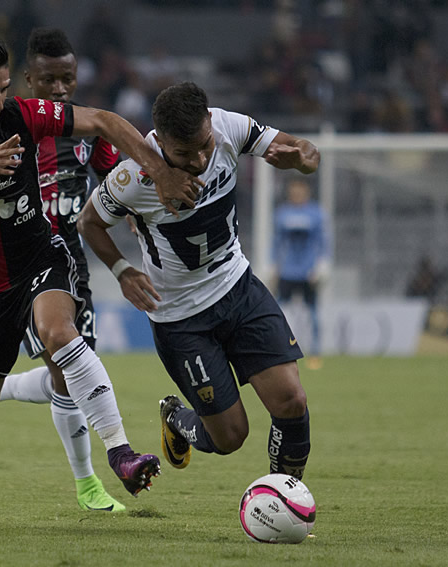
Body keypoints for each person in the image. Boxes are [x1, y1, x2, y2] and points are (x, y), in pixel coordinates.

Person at [0, 30, 201, 525]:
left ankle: (120, 455)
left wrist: (159, 172)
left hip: (39, 257)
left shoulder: (22, 115)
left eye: (3, 88)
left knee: (60, 333)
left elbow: (104, 122)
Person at [78, 81, 319, 482]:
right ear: (160, 142)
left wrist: (305, 159)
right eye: (183, 154)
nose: (200, 158)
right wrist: (122, 270)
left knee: (291, 400)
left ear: (210, 121)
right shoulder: (133, 178)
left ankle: (284, 497)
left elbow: (302, 149)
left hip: (238, 288)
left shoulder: (229, 127)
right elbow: (89, 221)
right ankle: (175, 417)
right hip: (181, 320)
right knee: (230, 437)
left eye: (204, 145)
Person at [0, 28, 124, 513]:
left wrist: (130, 208)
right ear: (28, 79)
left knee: (72, 371)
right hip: (24, 266)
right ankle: (88, 484)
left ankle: (0, 386)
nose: (60, 89)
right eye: (49, 79)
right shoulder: (7, 132)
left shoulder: (87, 132)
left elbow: (115, 182)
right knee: (68, 372)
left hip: (71, 263)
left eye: (67, 79)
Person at [272, 178, 330, 370]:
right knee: (278, 312)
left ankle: (315, 353)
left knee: (312, 313)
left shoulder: (316, 214)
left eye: (300, 191)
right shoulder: (282, 214)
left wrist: (322, 265)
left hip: (308, 272)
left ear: (306, 192)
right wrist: (273, 265)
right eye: (293, 191)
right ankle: (279, 350)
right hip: (287, 271)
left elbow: (323, 242)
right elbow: (276, 242)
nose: (296, 194)